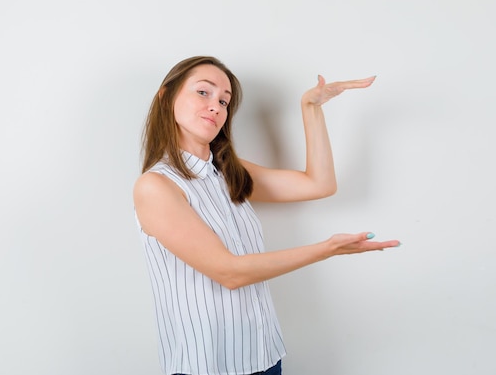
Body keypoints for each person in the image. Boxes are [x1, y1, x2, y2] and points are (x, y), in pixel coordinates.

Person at [133, 56, 400, 375]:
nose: (216, 106)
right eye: (203, 92)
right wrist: (326, 249)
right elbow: (229, 272)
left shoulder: (228, 173)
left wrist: (311, 108)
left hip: (264, 354)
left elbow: (320, 184)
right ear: (166, 97)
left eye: (224, 100)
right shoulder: (156, 185)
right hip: (207, 365)